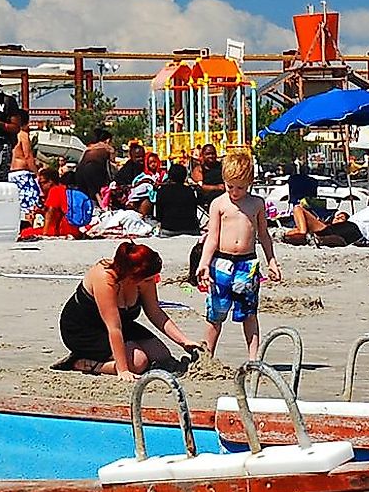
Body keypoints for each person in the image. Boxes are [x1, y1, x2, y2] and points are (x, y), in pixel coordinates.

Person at [58, 241, 196, 376]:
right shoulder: (105, 278)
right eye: (148, 279)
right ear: (132, 276)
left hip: (123, 325)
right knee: (138, 363)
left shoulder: (143, 278)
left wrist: (183, 341)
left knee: (161, 356)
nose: (152, 282)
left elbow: (155, 312)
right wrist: (123, 370)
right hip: (84, 329)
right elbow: (113, 327)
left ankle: (121, 359)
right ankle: (85, 363)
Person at [194, 150, 279, 364]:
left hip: (247, 263)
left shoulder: (256, 204)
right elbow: (212, 237)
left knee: (248, 312)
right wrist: (204, 263)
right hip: (221, 262)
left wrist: (272, 261)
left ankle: (253, 358)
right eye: (230, 186)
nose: (235, 192)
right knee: (216, 311)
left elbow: (264, 236)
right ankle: (207, 357)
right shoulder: (219, 204)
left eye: (240, 187)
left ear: (250, 183)